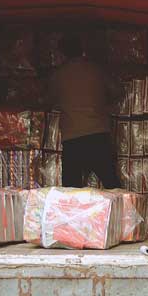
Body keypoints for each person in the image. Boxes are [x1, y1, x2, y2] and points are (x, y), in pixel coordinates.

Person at [48, 33, 121, 189]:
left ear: (62, 53)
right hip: (98, 135)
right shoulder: (96, 70)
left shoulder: (58, 76)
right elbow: (117, 91)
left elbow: (49, 100)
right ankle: (124, 212)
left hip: (72, 139)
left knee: (71, 190)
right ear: (82, 49)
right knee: (112, 185)